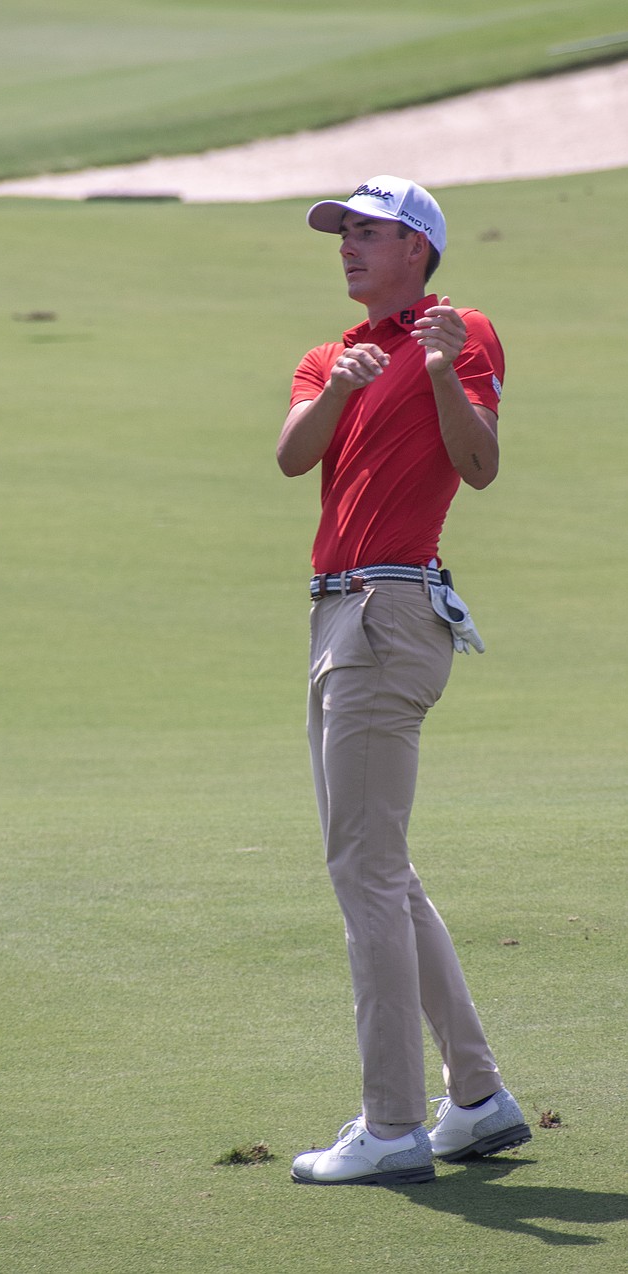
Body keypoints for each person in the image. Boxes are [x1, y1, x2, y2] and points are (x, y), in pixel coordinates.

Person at [277, 175, 531, 1186]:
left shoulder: (460, 332)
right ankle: (475, 1097)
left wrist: (430, 373)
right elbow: (293, 459)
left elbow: (479, 462)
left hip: (388, 610)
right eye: (341, 231)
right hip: (337, 610)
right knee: (382, 865)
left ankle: (390, 1125)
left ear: (416, 247)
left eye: (366, 232)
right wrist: (342, 383)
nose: (344, 245)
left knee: (363, 871)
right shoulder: (325, 355)